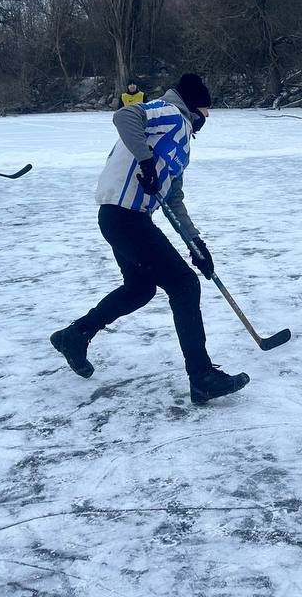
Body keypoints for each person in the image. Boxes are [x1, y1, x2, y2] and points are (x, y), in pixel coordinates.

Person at [50, 73, 249, 405]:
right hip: (123, 215)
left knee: (140, 288)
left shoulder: (180, 141)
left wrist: (195, 243)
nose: (209, 118)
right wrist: (145, 161)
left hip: (124, 217)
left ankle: (75, 335)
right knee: (184, 285)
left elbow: (173, 198)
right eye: (207, 109)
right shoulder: (169, 113)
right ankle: (201, 377)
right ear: (195, 106)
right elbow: (125, 115)